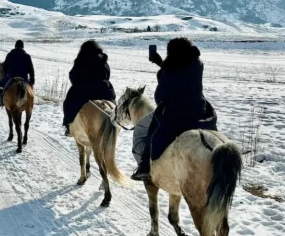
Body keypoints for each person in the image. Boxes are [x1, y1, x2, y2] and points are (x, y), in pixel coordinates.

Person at [131, 38, 217, 181]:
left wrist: (162, 68)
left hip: (176, 118)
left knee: (153, 131)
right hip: (198, 113)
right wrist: (162, 64)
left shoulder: (168, 71)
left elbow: (160, 97)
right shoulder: (198, 64)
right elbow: (182, 72)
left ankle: (145, 165)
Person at [62, 40, 116, 136]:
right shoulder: (103, 61)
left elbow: (73, 76)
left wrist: (79, 83)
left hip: (85, 92)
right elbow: (107, 75)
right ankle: (116, 121)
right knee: (112, 103)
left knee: (69, 103)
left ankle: (69, 126)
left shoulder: (80, 60)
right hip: (103, 90)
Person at [0, 40, 35, 107]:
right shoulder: (27, 56)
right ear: (23, 47)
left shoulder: (9, 55)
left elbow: (5, 68)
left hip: (11, 77)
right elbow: (31, 70)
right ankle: (31, 104)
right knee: (30, 91)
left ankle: (2, 101)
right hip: (24, 78)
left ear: (15, 46)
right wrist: (32, 81)